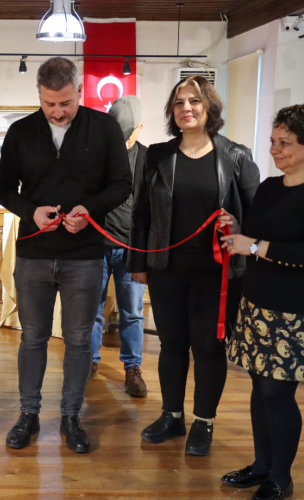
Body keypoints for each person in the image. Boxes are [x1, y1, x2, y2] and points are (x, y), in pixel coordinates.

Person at [0, 57, 132, 454]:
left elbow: (121, 184)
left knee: (78, 340)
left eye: (66, 103)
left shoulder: (104, 128)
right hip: (33, 253)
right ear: (38, 96)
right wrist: (30, 212)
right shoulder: (21, 131)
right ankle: (28, 414)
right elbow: (4, 188)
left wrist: (91, 209)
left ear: (80, 92)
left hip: (85, 255)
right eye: (49, 104)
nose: (57, 112)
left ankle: (72, 416)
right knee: (33, 339)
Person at [128, 76, 259, 456]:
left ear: (209, 107)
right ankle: (172, 415)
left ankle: (203, 421)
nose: (186, 108)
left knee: (208, 347)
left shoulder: (236, 156)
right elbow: (140, 213)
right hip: (166, 269)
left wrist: (237, 225)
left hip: (217, 274)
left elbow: (256, 217)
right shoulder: (157, 156)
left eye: (194, 101)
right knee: (171, 345)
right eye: (179, 102)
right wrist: (138, 263)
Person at [221, 104, 304, 500]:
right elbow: (254, 238)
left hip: (292, 311)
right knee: (259, 387)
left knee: (276, 393)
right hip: (255, 304)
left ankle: (281, 478)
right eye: (273, 141)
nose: (274, 149)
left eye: (284, 143)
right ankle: (261, 466)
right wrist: (236, 230)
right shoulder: (270, 187)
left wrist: (253, 245)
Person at [89, 96, 148, 397]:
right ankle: (89, 361)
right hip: (96, 246)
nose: (123, 140)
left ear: (140, 128)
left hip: (132, 249)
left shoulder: (149, 160)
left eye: (128, 134)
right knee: (92, 309)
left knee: (133, 312)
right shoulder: (95, 156)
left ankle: (132, 367)